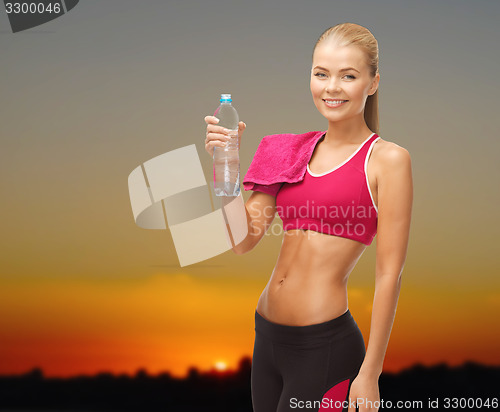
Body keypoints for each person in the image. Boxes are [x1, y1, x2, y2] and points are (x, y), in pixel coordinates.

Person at [204, 22, 412, 412]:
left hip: (325, 348)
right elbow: (242, 241)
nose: (331, 87)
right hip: (265, 336)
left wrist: (370, 373)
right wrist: (225, 164)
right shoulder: (283, 150)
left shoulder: (387, 161)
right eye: (321, 74)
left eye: (348, 76)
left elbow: (390, 273)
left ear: (372, 82)